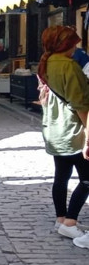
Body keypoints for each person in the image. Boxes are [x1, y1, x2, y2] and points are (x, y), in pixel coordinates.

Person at [35, 26, 89, 243]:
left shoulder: (45, 62)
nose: (75, 47)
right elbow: (81, 105)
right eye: (73, 43)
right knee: (87, 179)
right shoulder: (68, 65)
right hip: (73, 130)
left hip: (55, 129)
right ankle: (70, 223)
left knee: (62, 176)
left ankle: (61, 217)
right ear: (65, 44)